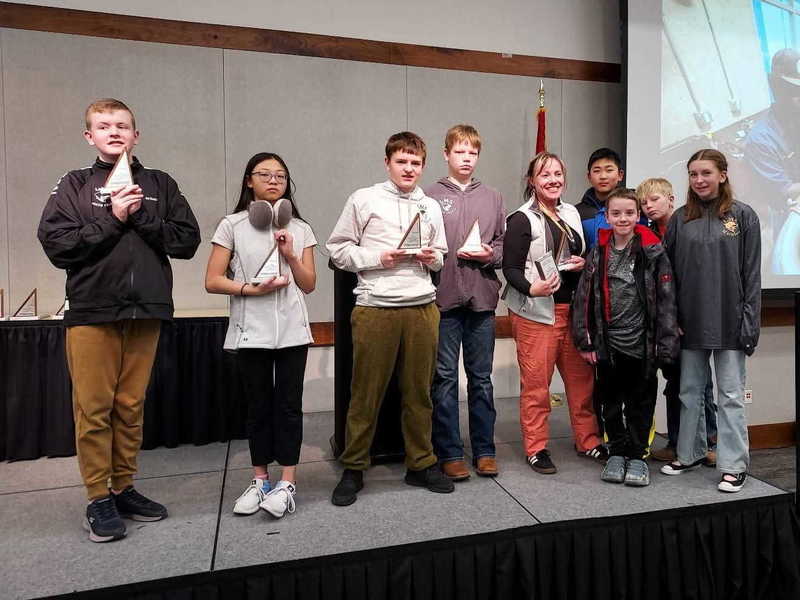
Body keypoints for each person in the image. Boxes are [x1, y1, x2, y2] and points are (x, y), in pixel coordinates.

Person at [37, 98, 201, 542]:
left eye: (123, 126)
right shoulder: (73, 185)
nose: (114, 132)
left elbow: (187, 241)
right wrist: (112, 217)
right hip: (92, 311)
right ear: (89, 136)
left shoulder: (159, 184)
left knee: (130, 406)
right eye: (104, 126)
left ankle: (123, 486)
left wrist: (141, 215)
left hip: (146, 310)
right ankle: (97, 497)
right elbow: (58, 246)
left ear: (136, 135)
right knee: (94, 409)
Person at [326, 131, 453, 505]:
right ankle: (353, 467)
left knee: (419, 393)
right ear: (387, 163)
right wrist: (375, 259)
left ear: (423, 166)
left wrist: (433, 259)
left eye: (415, 163)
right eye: (402, 161)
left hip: (421, 307)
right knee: (366, 393)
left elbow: (442, 255)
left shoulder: (429, 206)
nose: (409, 168)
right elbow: (337, 251)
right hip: (376, 307)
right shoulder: (363, 199)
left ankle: (421, 463)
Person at [205, 152, 316, 518]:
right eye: (264, 174)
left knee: (288, 407)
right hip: (249, 330)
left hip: (292, 332)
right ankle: (260, 480)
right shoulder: (232, 225)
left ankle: (287, 483)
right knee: (257, 408)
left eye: (280, 176)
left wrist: (292, 255)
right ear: (248, 181)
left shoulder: (300, 228)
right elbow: (213, 280)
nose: (273, 180)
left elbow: (309, 284)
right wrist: (251, 290)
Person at [661, 149, 761, 493]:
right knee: (689, 392)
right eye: (692, 174)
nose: (699, 180)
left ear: (722, 174)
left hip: (730, 323)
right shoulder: (679, 219)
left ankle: (734, 465)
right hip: (689, 323)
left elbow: (751, 276)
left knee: (730, 395)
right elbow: (667, 274)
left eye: (705, 173)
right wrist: (671, 318)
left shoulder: (743, 217)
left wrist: (749, 323)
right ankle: (688, 453)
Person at [502, 151, 605, 474]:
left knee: (581, 382)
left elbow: (581, 256)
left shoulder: (572, 213)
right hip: (536, 314)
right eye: (545, 175)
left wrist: (583, 263)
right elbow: (510, 268)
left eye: (558, 173)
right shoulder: (521, 219)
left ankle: (588, 440)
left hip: (572, 312)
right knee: (537, 386)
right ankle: (536, 447)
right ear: (532, 181)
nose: (553, 180)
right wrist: (531, 288)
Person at [572, 187, 679, 486]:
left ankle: (637, 455)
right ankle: (617, 451)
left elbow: (667, 300)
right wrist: (585, 340)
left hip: (642, 345)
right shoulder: (598, 252)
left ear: (638, 215)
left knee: (640, 402)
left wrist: (665, 343)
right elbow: (583, 299)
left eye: (629, 213)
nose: (622, 218)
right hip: (608, 345)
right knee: (609, 402)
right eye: (616, 213)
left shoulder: (652, 251)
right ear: (606, 217)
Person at [424, 124, 506, 481]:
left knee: (481, 379)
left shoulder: (493, 197)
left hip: (482, 299)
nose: (466, 158)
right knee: (442, 379)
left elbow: (504, 246)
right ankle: (450, 452)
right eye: (460, 152)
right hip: (442, 299)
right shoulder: (427, 196)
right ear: (446, 154)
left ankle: (485, 450)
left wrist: (489, 254)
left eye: (472, 152)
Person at [638, 178, 718, 464]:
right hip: (661, 324)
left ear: (671, 199)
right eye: (644, 203)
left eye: (655, 200)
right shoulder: (644, 235)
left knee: (701, 383)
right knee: (674, 385)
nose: (649, 206)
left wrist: (681, 318)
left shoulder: (688, 229)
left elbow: (689, 280)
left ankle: (710, 442)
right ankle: (675, 442)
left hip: (688, 320)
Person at [743, 48, 800, 274]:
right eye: (794, 91)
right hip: (787, 211)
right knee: (784, 263)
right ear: (776, 88)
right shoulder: (761, 139)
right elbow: (785, 190)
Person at [575, 148, 625, 249]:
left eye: (609, 170)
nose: (603, 176)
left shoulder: (633, 207)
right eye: (597, 171)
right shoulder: (576, 212)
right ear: (589, 177)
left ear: (620, 175)